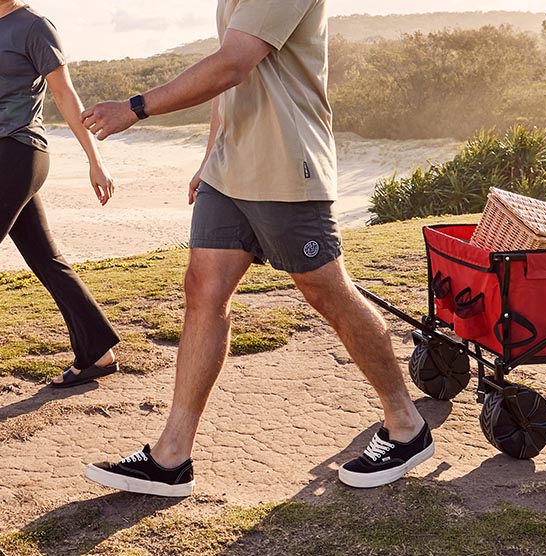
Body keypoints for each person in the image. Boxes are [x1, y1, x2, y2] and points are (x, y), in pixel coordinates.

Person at [79, 0, 432, 497]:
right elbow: (230, 84)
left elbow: (233, 62)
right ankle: (171, 457)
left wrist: (135, 107)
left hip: (285, 163)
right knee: (203, 292)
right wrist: (210, 158)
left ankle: (405, 425)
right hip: (230, 170)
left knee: (326, 291)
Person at [0, 0, 119, 388]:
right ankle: (97, 351)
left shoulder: (34, 26)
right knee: (45, 258)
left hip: (19, 151)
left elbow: (65, 95)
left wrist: (95, 159)